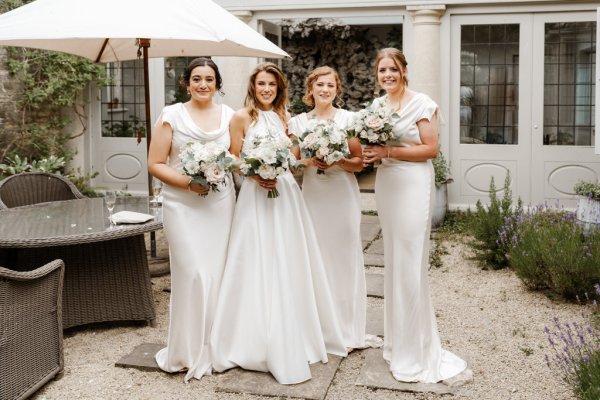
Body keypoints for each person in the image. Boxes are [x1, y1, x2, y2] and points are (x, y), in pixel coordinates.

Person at [210, 62, 347, 385]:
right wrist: (256, 173)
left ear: (279, 88)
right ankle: (251, 337)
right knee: (256, 259)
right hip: (255, 197)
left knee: (287, 258)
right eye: (261, 84)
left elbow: (293, 159)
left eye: (272, 84)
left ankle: (292, 332)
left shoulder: (285, 117)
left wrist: (298, 162)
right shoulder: (242, 117)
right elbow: (233, 158)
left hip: (285, 193)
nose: (267, 89)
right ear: (253, 87)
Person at [362, 48, 467, 383]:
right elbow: (371, 146)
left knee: (409, 262)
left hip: (413, 183)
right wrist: (371, 154)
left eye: (393, 69)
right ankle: (397, 342)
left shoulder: (423, 103)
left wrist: (389, 151)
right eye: (382, 71)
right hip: (388, 183)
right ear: (377, 75)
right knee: (394, 259)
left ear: (404, 71)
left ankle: (416, 350)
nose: (388, 75)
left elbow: (430, 149)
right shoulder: (376, 107)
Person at [147, 57, 236, 382]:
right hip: (181, 205)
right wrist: (189, 182)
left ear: (217, 83)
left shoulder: (229, 115)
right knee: (193, 273)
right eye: (196, 78)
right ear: (186, 83)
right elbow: (155, 163)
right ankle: (184, 351)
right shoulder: (171, 115)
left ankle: (215, 344)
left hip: (220, 204)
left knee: (216, 273)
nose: (203, 84)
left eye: (209, 79)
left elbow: (236, 158)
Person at [288, 66, 366, 352]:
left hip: (342, 194)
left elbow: (359, 162)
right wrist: (308, 161)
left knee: (343, 257)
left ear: (337, 89)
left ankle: (346, 329)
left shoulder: (350, 119)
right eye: (319, 84)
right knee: (314, 258)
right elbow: (292, 164)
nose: (324, 89)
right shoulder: (297, 123)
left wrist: (337, 161)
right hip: (312, 196)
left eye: (330, 85)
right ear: (310, 89)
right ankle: (318, 328)